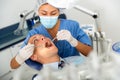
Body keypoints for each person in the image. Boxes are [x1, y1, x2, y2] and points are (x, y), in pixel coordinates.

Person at [10, 1, 92, 70]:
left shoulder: (72, 26)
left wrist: (73, 41)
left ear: (59, 12)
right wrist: (20, 57)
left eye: (53, 13)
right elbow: (13, 65)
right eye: (44, 13)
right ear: (37, 12)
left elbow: (90, 53)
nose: (48, 17)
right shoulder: (33, 33)